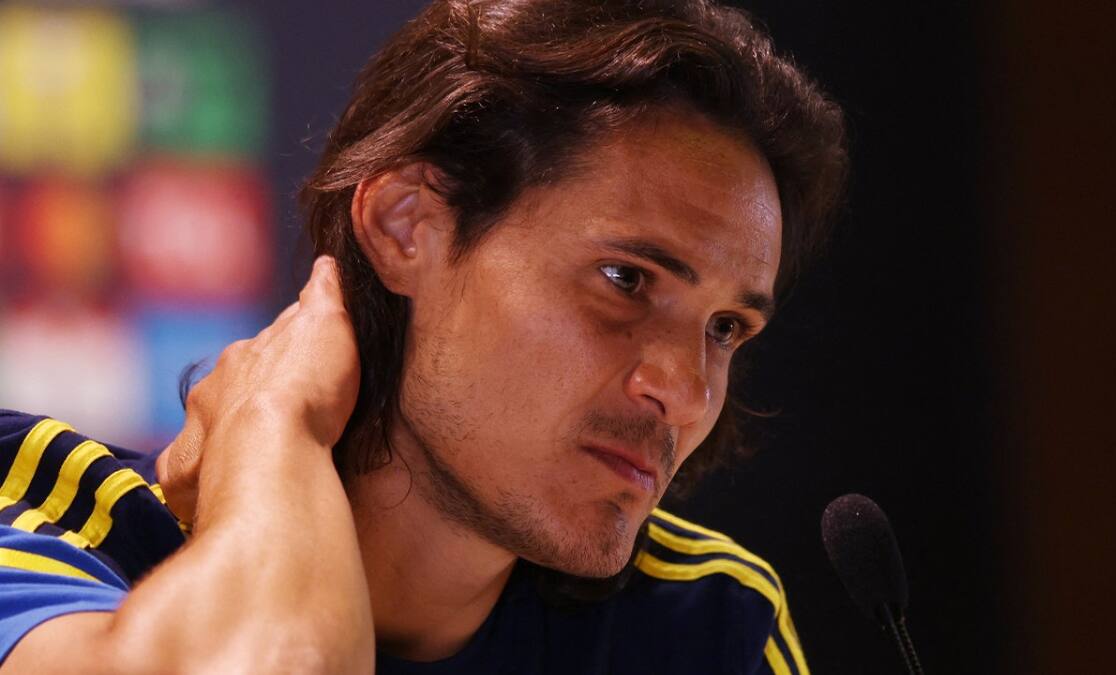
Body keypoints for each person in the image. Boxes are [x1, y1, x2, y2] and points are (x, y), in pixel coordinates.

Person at [0, 0, 846, 672]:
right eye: (626, 280)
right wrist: (274, 429)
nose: (687, 391)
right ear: (408, 226)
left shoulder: (706, 624)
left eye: (727, 328)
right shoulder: (49, 524)